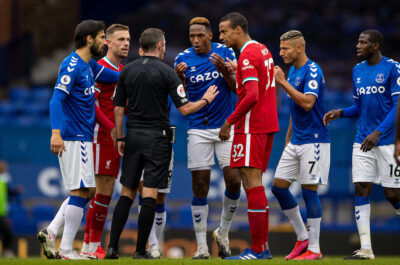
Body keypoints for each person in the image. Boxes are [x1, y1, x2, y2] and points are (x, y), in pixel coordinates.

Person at [105, 28, 219, 259]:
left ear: (140, 48)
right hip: (158, 138)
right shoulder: (168, 73)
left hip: (133, 136)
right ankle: (140, 250)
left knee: (126, 192)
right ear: (159, 46)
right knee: (150, 193)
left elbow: (118, 108)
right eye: (164, 44)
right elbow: (185, 108)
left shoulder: (126, 71)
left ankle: (112, 248)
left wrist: (119, 137)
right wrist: (206, 99)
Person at [37, 20, 120, 260]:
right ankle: (65, 249)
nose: (106, 42)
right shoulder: (72, 65)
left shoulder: (89, 66)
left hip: (82, 136)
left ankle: (52, 233)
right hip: (74, 137)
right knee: (81, 190)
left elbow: (92, 107)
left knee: (88, 189)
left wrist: (112, 128)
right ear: (89, 39)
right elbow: (56, 99)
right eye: (103, 37)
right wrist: (56, 132)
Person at [323, 29, 400, 260]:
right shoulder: (357, 71)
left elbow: (398, 107)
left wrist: (378, 132)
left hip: (386, 141)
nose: (358, 45)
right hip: (362, 140)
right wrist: (341, 112)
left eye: (363, 42)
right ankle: (366, 249)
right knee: (361, 189)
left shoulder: (392, 68)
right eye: (357, 41)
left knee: (392, 195)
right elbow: (360, 107)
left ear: (375, 45)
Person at [174, 17, 241, 259]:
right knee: (200, 185)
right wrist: (180, 80)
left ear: (210, 36)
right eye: (191, 36)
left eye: (199, 36)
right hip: (198, 129)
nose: (195, 41)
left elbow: (237, 89)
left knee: (234, 182)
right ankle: (202, 246)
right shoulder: (182, 59)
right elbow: (180, 96)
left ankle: (223, 231)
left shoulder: (226, 53)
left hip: (225, 126)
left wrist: (225, 72)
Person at [218, 12, 279, 260]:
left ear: (239, 30)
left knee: (251, 181)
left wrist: (228, 121)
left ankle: (257, 249)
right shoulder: (262, 49)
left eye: (224, 31)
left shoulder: (246, 55)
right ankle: (262, 247)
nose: (221, 37)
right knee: (254, 181)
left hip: (251, 125)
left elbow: (251, 95)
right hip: (267, 122)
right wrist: (237, 68)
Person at [271, 30, 329, 260]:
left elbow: (307, 103)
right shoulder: (293, 70)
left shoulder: (313, 70)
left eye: (285, 48)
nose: (281, 52)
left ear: (299, 48)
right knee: (278, 187)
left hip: (314, 141)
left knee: (309, 192)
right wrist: (287, 140)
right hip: (296, 141)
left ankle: (314, 249)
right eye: (281, 48)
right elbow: (296, 112)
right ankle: (303, 237)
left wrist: (283, 83)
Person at [80, 23, 131, 259]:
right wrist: (111, 127)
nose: (126, 43)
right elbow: (92, 103)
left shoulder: (119, 69)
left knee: (104, 193)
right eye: (120, 39)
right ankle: (91, 246)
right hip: (101, 137)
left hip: (114, 137)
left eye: (128, 39)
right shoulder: (100, 68)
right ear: (107, 42)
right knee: (102, 192)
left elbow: (117, 105)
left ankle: (89, 245)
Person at [0, 160, 22, 258]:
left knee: (8, 233)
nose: (5, 169)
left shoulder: (4, 180)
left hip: (2, 213)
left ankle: (5, 251)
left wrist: (16, 191)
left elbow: (9, 192)